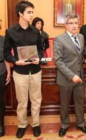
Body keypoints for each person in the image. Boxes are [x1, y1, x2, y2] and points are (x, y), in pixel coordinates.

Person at [4, 1, 43, 138]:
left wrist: (39, 57)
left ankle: (36, 124)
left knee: (36, 100)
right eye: (29, 12)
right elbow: (6, 53)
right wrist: (15, 61)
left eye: (32, 12)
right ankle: (22, 125)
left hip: (36, 71)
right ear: (20, 13)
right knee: (21, 101)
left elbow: (40, 49)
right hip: (20, 72)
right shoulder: (10, 32)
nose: (31, 15)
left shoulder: (36, 31)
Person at [54, 13, 86, 137]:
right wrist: (71, 75)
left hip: (80, 77)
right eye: (71, 23)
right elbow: (58, 61)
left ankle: (81, 123)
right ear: (66, 25)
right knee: (64, 104)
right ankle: (64, 125)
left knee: (80, 102)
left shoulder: (81, 37)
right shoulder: (59, 39)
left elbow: (79, 56)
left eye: (76, 23)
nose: (74, 26)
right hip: (65, 78)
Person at [0, 18, 11, 137]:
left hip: (1, 71)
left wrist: (8, 72)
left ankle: (1, 124)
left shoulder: (3, 40)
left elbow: (6, 58)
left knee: (0, 100)